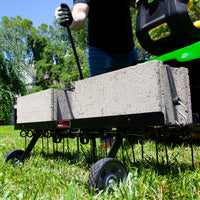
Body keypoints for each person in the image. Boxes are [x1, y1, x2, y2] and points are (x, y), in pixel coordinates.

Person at [55, 0, 138, 77]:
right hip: (99, 54)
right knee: (101, 90)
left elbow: (135, 2)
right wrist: (71, 20)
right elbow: (80, 12)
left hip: (128, 51)